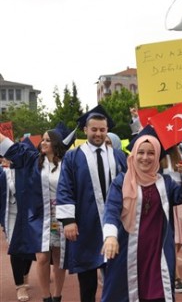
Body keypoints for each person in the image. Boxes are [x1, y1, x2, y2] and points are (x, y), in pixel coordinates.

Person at [100, 130, 182, 302]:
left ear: (157, 157)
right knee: (123, 294)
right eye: (141, 152)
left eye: (151, 153)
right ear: (133, 155)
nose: (145, 157)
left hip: (157, 253)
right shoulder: (121, 181)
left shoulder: (166, 183)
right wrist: (110, 236)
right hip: (128, 251)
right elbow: (111, 209)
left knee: (158, 295)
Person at [56, 105, 128, 302]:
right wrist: (69, 220)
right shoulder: (73, 156)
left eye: (102, 130)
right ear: (85, 130)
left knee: (115, 277)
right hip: (85, 223)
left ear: (107, 131)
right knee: (87, 280)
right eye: (94, 129)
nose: (98, 133)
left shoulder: (118, 156)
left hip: (114, 224)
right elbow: (64, 188)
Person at [1, 124, 74, 302]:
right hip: (40, 216)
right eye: (43, 139)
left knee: (58, 257)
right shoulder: (33, 160)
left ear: (57, 144)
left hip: (61, 215)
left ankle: (57, 295)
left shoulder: (68, 164)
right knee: (41, 257)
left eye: (48, 140)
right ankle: (45, 297)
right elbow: (10, 147)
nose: (43, 143)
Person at [1, 156, 35, 302]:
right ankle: (19, 285)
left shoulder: (29, 170)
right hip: (12, 213)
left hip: (30, 214)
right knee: (16, 248)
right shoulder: (3, 173)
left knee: (31, 247)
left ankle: (25, 274)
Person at [160, 143, 182, 293]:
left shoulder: (179, 157)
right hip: (166, 200)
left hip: (179, 201)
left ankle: (172, 266)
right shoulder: (160, 159)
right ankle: (176, 275)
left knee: (179, 239)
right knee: (171, 238)